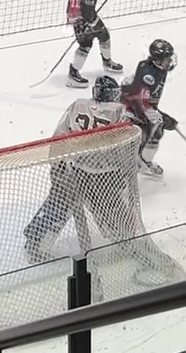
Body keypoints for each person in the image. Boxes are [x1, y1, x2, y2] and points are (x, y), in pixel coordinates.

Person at [22, 75, 141, 262]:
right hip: (104, 175)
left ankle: (36, 242)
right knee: (111, 208)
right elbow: (123, 146)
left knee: (58, 205)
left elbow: (60, 134)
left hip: (73, 168)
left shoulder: (78, 105)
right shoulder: (120, 112)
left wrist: (56, 164)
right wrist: (125, 172)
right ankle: (124, 241)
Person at [121, 40, 178, 177]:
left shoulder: (158, 69)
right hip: (132, 110)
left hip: (142, 107)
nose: (170, 61)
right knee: (140, 138)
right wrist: (162, 118)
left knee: (157, 132)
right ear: (157, 60)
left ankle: (145, 162)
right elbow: (143, 105)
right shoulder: (149, 76)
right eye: (166, 59)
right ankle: (134, 168)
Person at [66, 0, 122, 87]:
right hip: (80, 19)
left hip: (91, 15)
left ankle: (107, 62)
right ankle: (73, 73)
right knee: (86, 45)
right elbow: (73, 4)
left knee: (104, 36)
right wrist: (78, 22)